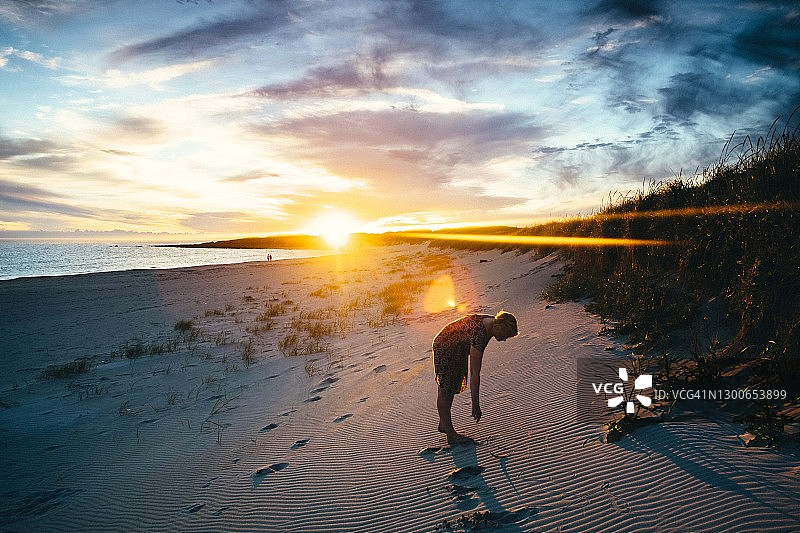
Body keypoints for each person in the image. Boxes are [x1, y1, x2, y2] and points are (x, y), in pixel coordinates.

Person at [432, 311, 518, 444]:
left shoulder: (492, 322)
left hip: (456, 348)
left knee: (451, 385)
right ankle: (451, 434)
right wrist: (475, 405)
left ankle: (444, 424)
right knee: (446, 389)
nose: (504, 339)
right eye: (505, 335)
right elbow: (474, 374)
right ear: (499, 327)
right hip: (445, 347)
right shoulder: (480, 334)